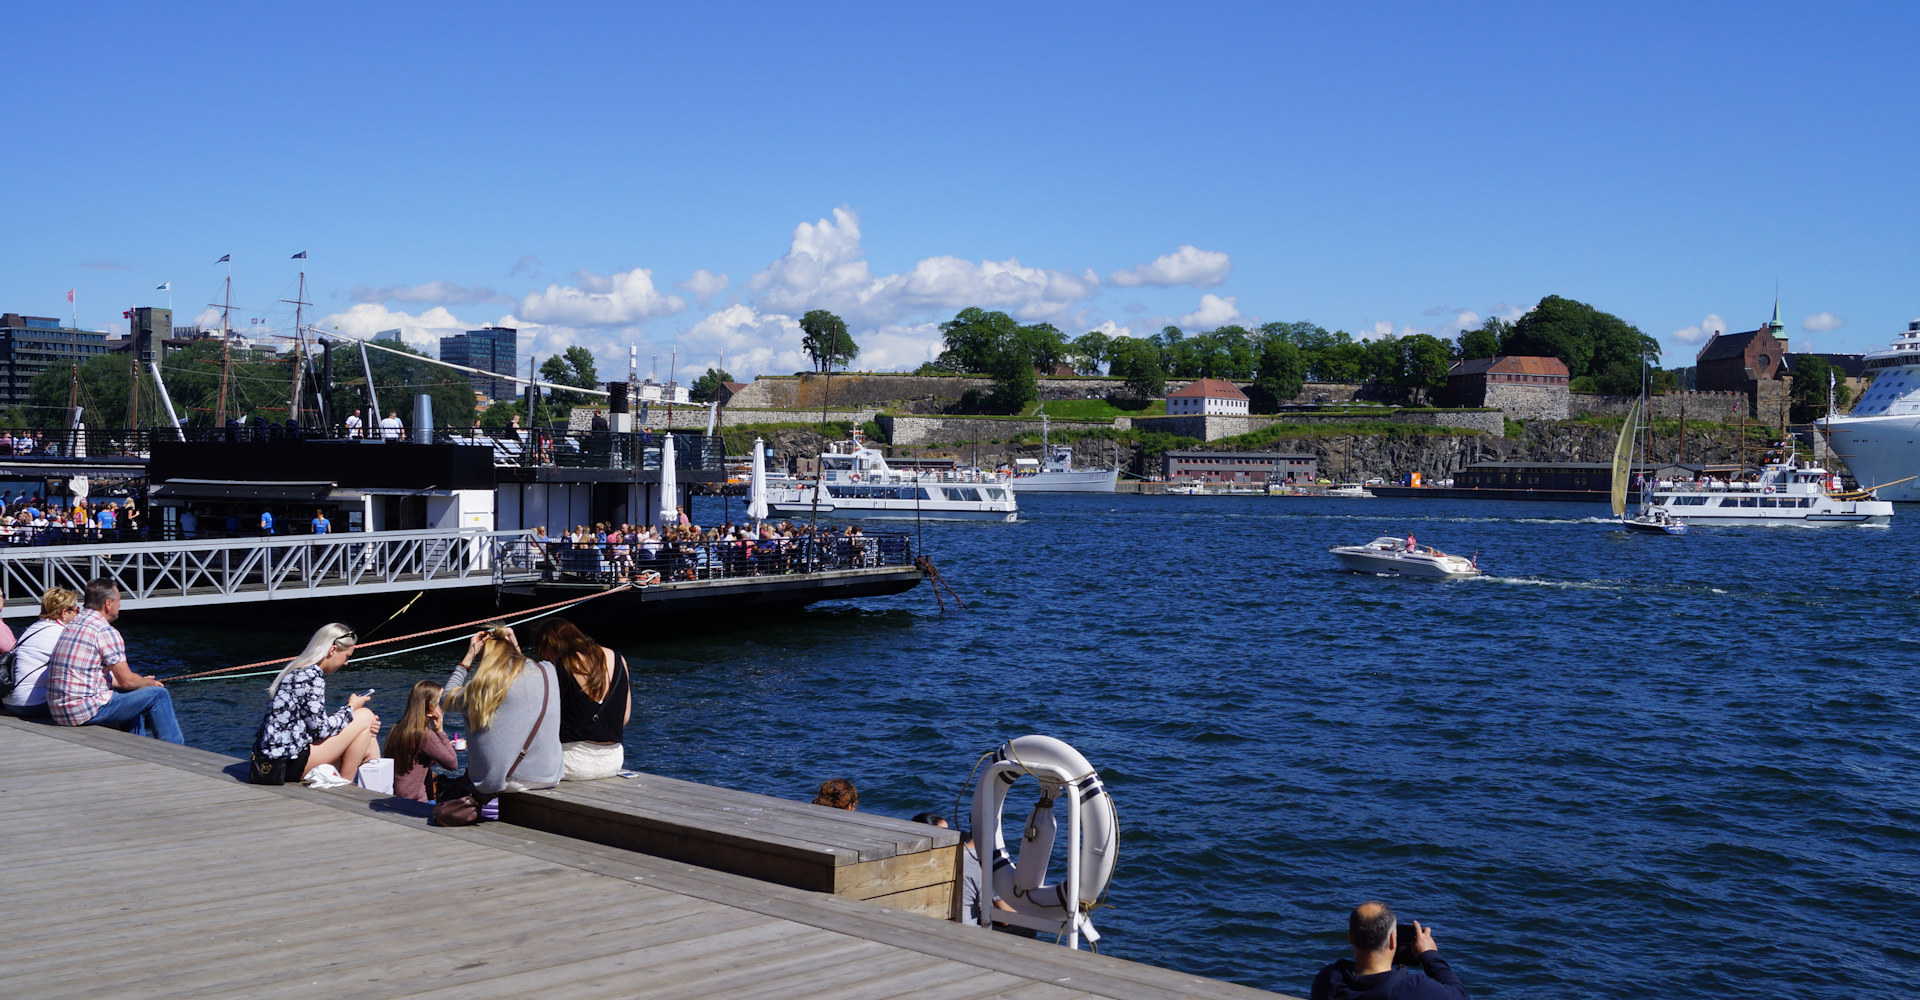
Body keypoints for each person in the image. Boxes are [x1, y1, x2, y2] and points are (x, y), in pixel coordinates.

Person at [46, 579, 184, 743]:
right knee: (159, 695)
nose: (120, 605)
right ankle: (175, 749)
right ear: (108, 604)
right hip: (81, 711)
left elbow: (91, 677)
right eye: (119, 601)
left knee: (134, 694)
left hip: (59, 710)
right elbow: (127, 681)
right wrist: (149, 685)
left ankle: (138, 746)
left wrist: (140, 683)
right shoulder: (104, 631)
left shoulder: (73, 624)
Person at [445, 624, 562, 796]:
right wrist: (515, 647)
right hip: (548, 775)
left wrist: (467, 658)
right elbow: (525, 672)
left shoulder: (481, 688)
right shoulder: (548, 671)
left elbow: (445, 700)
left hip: (503, 781)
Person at [253, 623, 381, 781]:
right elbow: (321, 731)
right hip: (289, 763)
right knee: (365, 715)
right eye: (346, 656)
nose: (346, 662)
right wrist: (350, 708)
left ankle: (348, 782)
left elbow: (313, 727)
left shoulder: (298, 671)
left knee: (368, 740)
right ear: (333, 650)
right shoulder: (312, 677)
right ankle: (345, 785)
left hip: (272, 760)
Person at [1310, 901, 1469, 1000]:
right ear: (1393, 940)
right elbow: (1461, 996)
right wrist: (1430, 955)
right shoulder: (1412, 988)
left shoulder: (1327, 979)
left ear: (1350, 938)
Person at [536, 618, 631, 780]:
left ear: (549, 645)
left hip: (571, 764)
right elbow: (624, 718)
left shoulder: (557, 667)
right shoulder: (619, 659)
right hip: (612, 762)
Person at [1, 587, 80, 719]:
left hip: (10, 701)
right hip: (31, 704)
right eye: (77, 610)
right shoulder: (61, 634)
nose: (78, 614)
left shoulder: (33, 628)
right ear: (64, 612)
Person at [385, 680, 457, 802]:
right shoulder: (425, 734)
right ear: (430, 707)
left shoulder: (398, 727)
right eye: (441, 702)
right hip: (415, 801)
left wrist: (442, 749)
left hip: (397, 797)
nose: (444, 707)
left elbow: (414, 761)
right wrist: (440, 731)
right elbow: (452, 764)